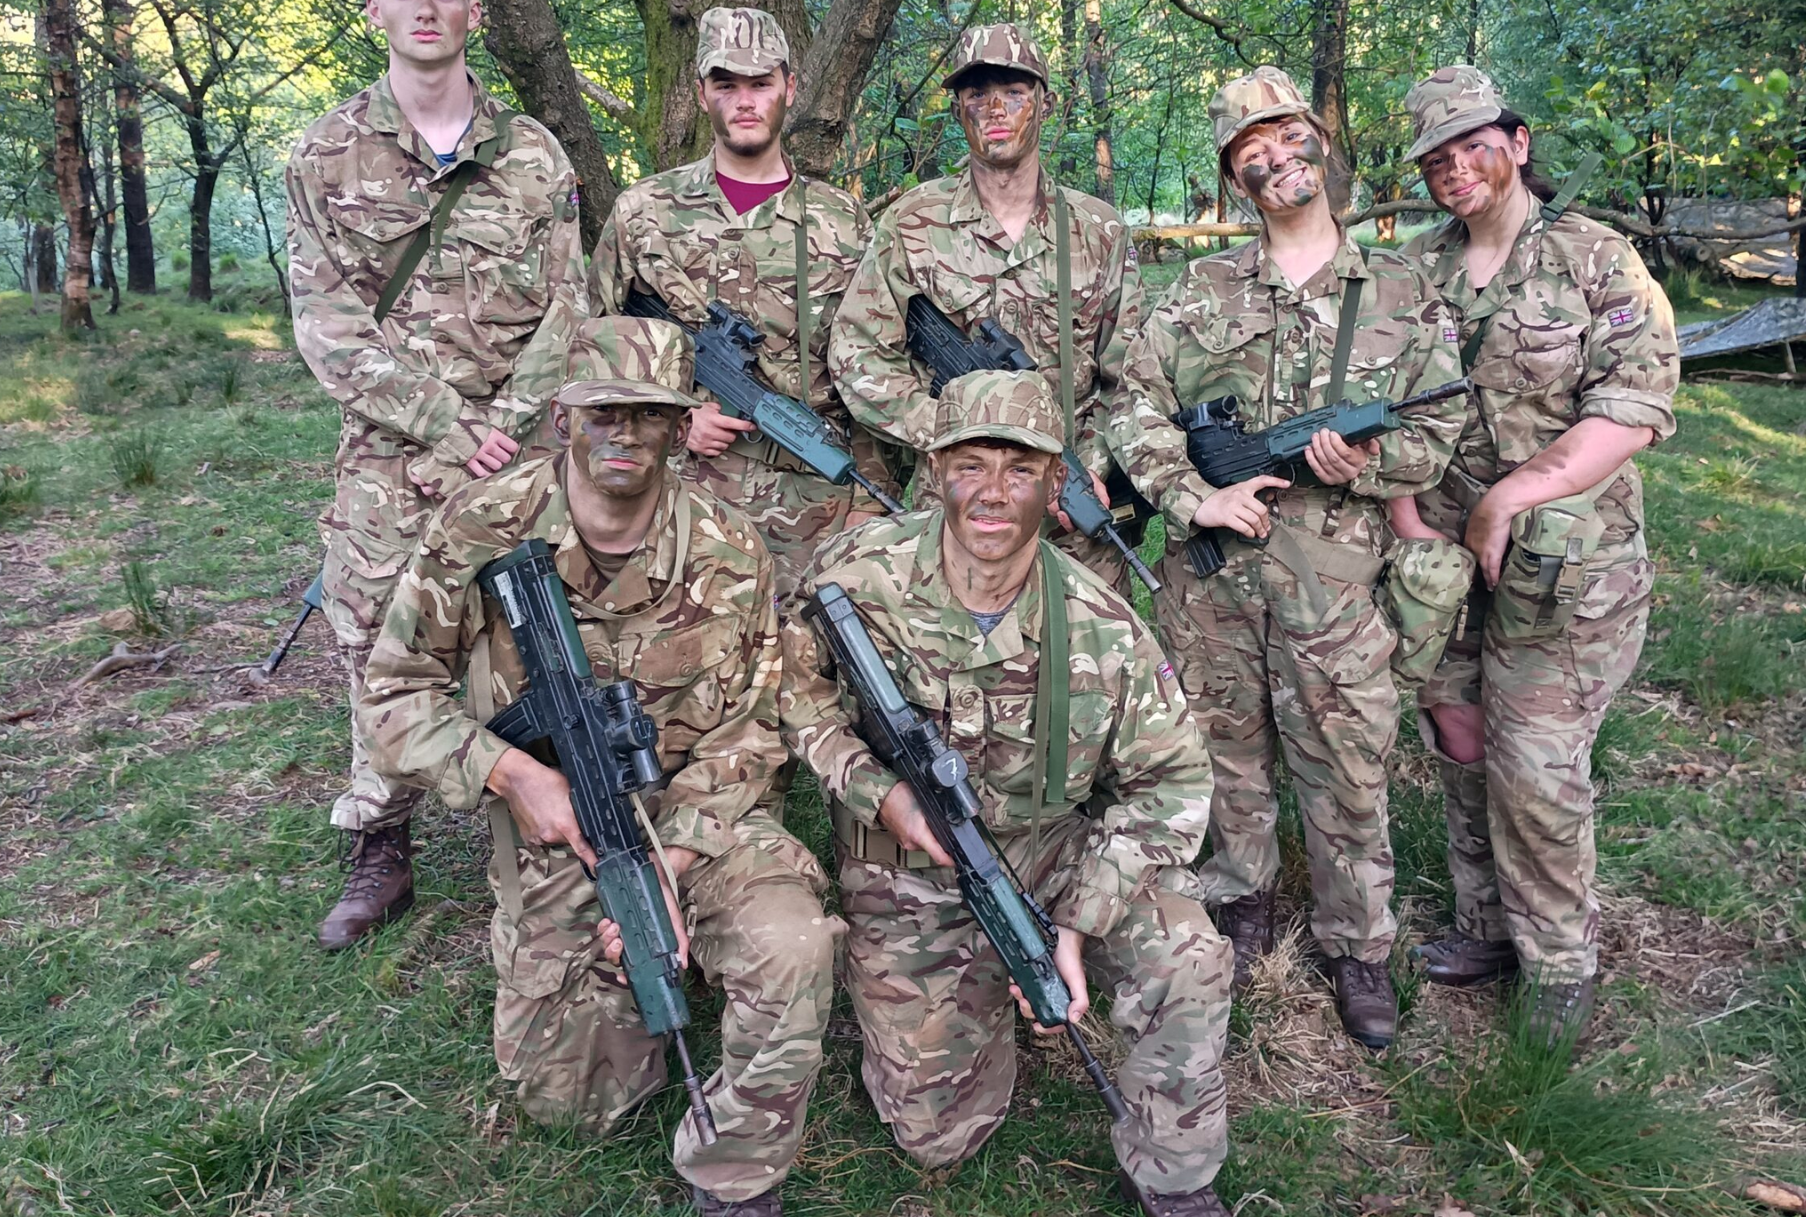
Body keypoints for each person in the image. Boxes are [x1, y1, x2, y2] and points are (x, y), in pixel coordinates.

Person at [358, 317, 837, 1217]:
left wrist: (673, 862)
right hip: (561, 826)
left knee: (794, 944)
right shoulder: (481, 525)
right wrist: (511, 774)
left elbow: (753, 725)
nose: (625, 432)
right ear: (562, 420)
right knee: (570, 1102)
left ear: (680, 427)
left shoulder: (731, 546)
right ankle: (647, 972)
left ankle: (735, 1170)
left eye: (648, 414)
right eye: (603, 412)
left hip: (703, 817)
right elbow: (390, 694)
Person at [782, 371, 1234, 1217]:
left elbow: (1172, 782)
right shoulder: (855, 573)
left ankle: (1174, 1173)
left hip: (1050, 849)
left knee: (1188, 955)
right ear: (934, 471)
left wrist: (1079, 921)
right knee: (935, 1136)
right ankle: (969, 1002)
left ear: (1056, 483)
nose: (992, 493)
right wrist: (879, 793)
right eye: (970, 465)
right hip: (906, 870)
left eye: (1020, 469)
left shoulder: (1103, 624)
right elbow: (791, 694)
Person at [1107, 67, 1464, 1049]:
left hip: (1335, 587)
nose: (1273, 161)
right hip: (1212, 579)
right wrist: (1195, 496)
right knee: (1223, 747)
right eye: (1248, 154)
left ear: (1318, 142)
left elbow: (1438, 435)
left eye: (1285, 137)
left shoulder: (1400, 291)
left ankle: (1357, 943)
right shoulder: (1199, 291)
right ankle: (1242, 892)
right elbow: (1134, 410)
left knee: (1346, 763)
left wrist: (1366, 464)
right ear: (1235, 180)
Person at [286, 0, 586, 952]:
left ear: (474, 10)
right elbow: (327, 323)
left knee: (533, 632)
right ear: (374, 6)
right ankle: (381, 839)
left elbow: (569, 306)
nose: (425, 6)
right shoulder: (325, 152)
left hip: (519, 450)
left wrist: (502, 427)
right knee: (374, 639)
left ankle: (550, 817)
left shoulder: (533, 154)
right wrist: (449, 427)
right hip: (391, 457)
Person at [1389, 64, 1679, 1046]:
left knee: (1535, 762)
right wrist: (1410, 525)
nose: (1455, 169)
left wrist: (1512, 496)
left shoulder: (1596, 259)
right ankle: (1486, 926)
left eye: (1472, 145)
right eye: (1435, 158)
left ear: (1516, 143)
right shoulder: (1414, 273)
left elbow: (1632, 409)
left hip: (1564, 568)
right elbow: (1382, 413)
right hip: (1442, 562)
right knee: (1460, 735)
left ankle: (1558, 960)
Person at [829, 23, 1146, 585]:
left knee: (1078, 640)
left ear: (1046, 104)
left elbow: (1132, 377)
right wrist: (947, 429)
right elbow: (857, 352)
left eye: (1014, 92)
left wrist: (1083, 467)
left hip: (1068, 511)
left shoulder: (1099, 231)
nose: (996, 109)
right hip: (954, 512)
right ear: (958, 111)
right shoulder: (913, 222)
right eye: (977, 94)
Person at [590, 6, 882, 594]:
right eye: (726, 84)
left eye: (761, 83)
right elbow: (594, 349)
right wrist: (677, 418)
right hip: (671, 495)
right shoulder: (644, 211)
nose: (745, 101)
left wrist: (869, 505)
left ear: (790, 89)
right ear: (701, 93)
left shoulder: (843, 222)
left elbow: (872, 367)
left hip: (813, 508)